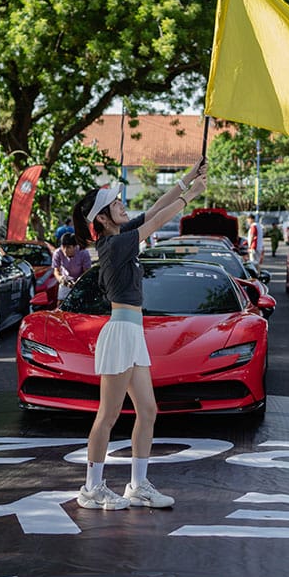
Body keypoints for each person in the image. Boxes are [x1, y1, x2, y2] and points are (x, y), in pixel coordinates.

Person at [71, 157, 208, 510]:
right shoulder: (115, 245)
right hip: (120, 333)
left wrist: (188, 178)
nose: (121, 204)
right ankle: (91, 488)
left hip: (133, 333)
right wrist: (192, 195)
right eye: (114, 204)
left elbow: (155, 209)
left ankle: (137, 485)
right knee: (108, 415)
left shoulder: (120, 235)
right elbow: (158, 221)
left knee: (147, 411)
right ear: (102, 219)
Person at [52, 232, 91, 301]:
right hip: (66, 280)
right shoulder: (57, 253)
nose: (65, 250)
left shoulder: (84, 253)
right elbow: (56, 271)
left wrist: (78, 282)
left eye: (68, 247)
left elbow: (86, 272)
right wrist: (61, 279)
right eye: (63, 247)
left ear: (75, 247)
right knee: (60, 301)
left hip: (81, 280)